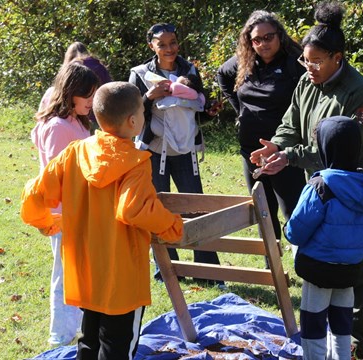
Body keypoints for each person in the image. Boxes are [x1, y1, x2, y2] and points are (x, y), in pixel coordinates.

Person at [249, 2, 363, 358]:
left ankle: (362, 340)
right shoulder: (306, 81)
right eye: (305, 61)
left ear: (338, 58)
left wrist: (290, 157)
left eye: (316, 62)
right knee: (324, 251)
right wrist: (276, 147)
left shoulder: (359, 92)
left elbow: (340, 146)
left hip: (357, 181)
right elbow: (289, 124)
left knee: (356, 259)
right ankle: (334, 330)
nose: (309, 68)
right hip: (323, 180)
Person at [21, 81, 184, 359]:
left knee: (90, 339)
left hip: (85, 270)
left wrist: (46, 222)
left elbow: (34, 194)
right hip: (122, 277)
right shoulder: (135, 161)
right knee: (118, 346)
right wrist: (172, 226)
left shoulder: (74, 152)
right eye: (143, 115)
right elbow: (133, 209)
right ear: (133, 121)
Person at [129, 23, 222, 284]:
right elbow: (131, 115)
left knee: (196, 207)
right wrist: (148, 97)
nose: (169, 48)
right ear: (152, 47)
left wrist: (210, 112)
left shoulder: (190, 70)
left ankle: (207, 272)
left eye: (173, 43)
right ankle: (167, 270)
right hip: (154, 150)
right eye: (162, 44)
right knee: (158, 208)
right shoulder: (138, 74)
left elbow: (198, 107)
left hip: (185, 149)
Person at [285, 116, 363, 360]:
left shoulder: (320, 184)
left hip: (318, 268)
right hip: (350, 268)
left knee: (313, 322)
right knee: (342, 320)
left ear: (326, 146)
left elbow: (296, 231)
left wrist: (287, 229)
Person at [216, 10, 307, 245]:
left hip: (283, 152)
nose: (263, 43)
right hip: (251, 151)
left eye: (268, 37)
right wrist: (240, 109)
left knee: (294, 212)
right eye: (256, 39)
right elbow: (222, 75)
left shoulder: (295, 61)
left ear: (279, 36)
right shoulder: (244, 60)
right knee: (263, 211)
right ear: (249, 41)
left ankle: (304, 264)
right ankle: (271, 267)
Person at [32, 62, 100, 346]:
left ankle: (79, 326)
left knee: (80, 272)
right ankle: (60, 335)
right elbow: (58, 178)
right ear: (71, 92)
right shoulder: (58, 126)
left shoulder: (74, 121)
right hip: (64, 213)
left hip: (79, 210)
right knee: (64, 274)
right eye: (87, 95)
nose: (92, 101)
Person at [39, 41, 112, 132]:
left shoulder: (73, 69)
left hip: (82, 117)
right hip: (100, 116)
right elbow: (109, 89)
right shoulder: (99, 66)